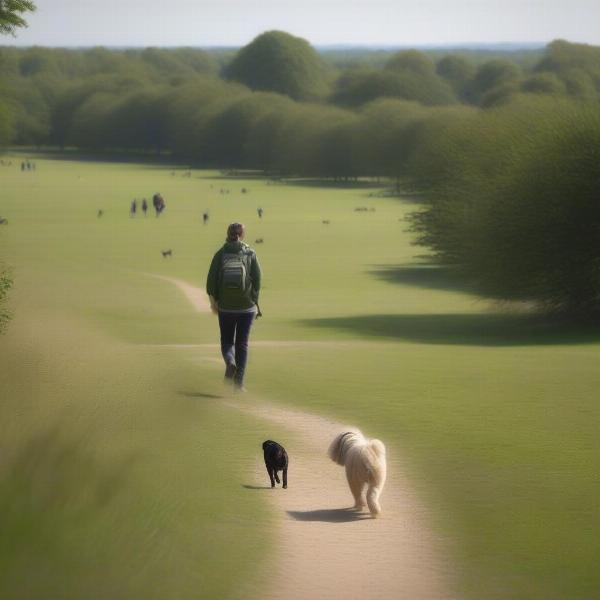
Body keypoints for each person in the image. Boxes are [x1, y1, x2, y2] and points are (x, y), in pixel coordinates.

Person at [206, 223, 261, 392]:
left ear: (227, 234)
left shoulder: (220, 254)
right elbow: (258, 280)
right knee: (242, 344)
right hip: (247, 307)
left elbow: (210, 283)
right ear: (242, 235)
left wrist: (214, 302)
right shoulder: (250, 253)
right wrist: (254, 300)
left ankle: (230, 362)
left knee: (227, 341)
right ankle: (239, 384)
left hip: (226, 307)